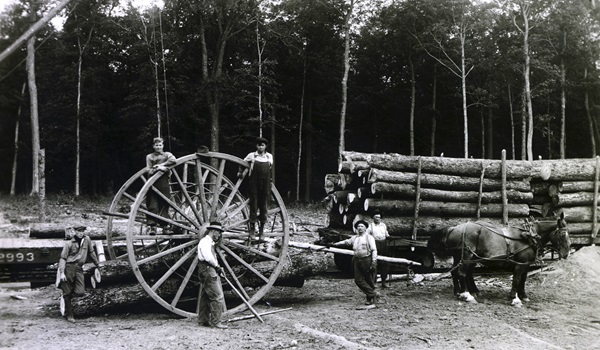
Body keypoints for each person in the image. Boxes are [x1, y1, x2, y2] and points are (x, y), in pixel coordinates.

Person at [331, 220, 379, 305]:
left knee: (369, 280)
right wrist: (334, 244)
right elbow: (346, 242)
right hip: (357, 260)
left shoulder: (369, 238)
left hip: (367, 260)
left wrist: (374, 261)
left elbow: (374, 250)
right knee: (358, 280)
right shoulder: (355, 238)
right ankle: (373, 294)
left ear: (365, 228)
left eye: (362, 226)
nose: (360, 228)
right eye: (358, 227)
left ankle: (370, 298)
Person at [57, 229, 101, 322]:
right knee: (67, 293)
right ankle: (69, 315)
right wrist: (62, 273)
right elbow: (63, 258)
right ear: (75, 232)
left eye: (82, 231)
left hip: (79, 268)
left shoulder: (87, 240)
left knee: (80, 291)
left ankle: (67, 294)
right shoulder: (69, 244)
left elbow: (91, 252)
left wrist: (98, 264)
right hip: (69, 268)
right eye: (78, 232)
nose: (80, 233)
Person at [238, 137, 273, 241]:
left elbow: (269, 168)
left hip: (265, 183)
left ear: (265, 146)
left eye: (262, 145)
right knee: (253, 205)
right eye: (259, 145)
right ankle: (252, 230)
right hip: (254, 183)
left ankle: (262, 231)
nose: (260, 147)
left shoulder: (269, 156)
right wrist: (240, 172)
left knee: (263, 206)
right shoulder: (251, 155)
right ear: (256, 146)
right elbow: (242, 163)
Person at [197, 222, 228, 329]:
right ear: (213, 231)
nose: (219, 235)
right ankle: (216, 322)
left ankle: (203, 320)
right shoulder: (205, 242)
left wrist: (218, 267)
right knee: (218, 296)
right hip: (207, 269)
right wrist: (217, 266)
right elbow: (208, 258)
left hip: (206, 269)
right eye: (218, 233)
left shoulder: (209, 243)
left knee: (205, 296)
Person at [145, 137, 177, 235]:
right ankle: (152, 227)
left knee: (164, 204)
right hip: (152, 182)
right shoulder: (149, 157)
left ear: (163, 145)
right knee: (152, 205)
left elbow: (174, 160)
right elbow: (148, 170)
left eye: (160, 145)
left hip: (164, 182)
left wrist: (162, 166)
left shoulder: (167, 154)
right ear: (153, 146)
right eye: (156, 145)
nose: (158, 147)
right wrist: (157, 170)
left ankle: (164, 227)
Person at [367, 211, 390, 288]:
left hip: (383, 244)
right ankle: (373, 282)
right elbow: (367, 236)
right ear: (373, 218)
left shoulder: (383, 225)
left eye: (379, 217)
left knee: (385, 262)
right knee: (374, 263)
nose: (378, 219)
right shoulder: (370, 226)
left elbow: (386, 234)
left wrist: (390, 237)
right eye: (376, 217)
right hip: (375, 243)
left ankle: (384, 282)